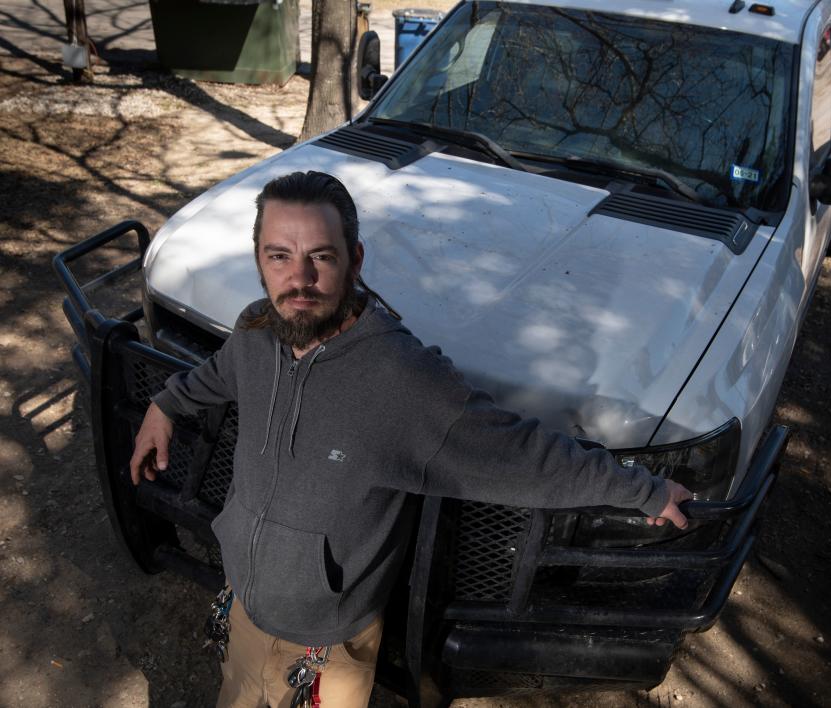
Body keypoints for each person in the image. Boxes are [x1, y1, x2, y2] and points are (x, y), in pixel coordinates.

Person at [129, 171, 692, 708]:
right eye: (279, 256)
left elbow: (524, 457)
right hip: (245, 604)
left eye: (320, 257)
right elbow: (220, 373)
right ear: (259, 259)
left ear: (354, 260)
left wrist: (644, 491)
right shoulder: (258, 329)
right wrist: (166, 404)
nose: (297, 280)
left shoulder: (403, 380)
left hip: (323, 650)